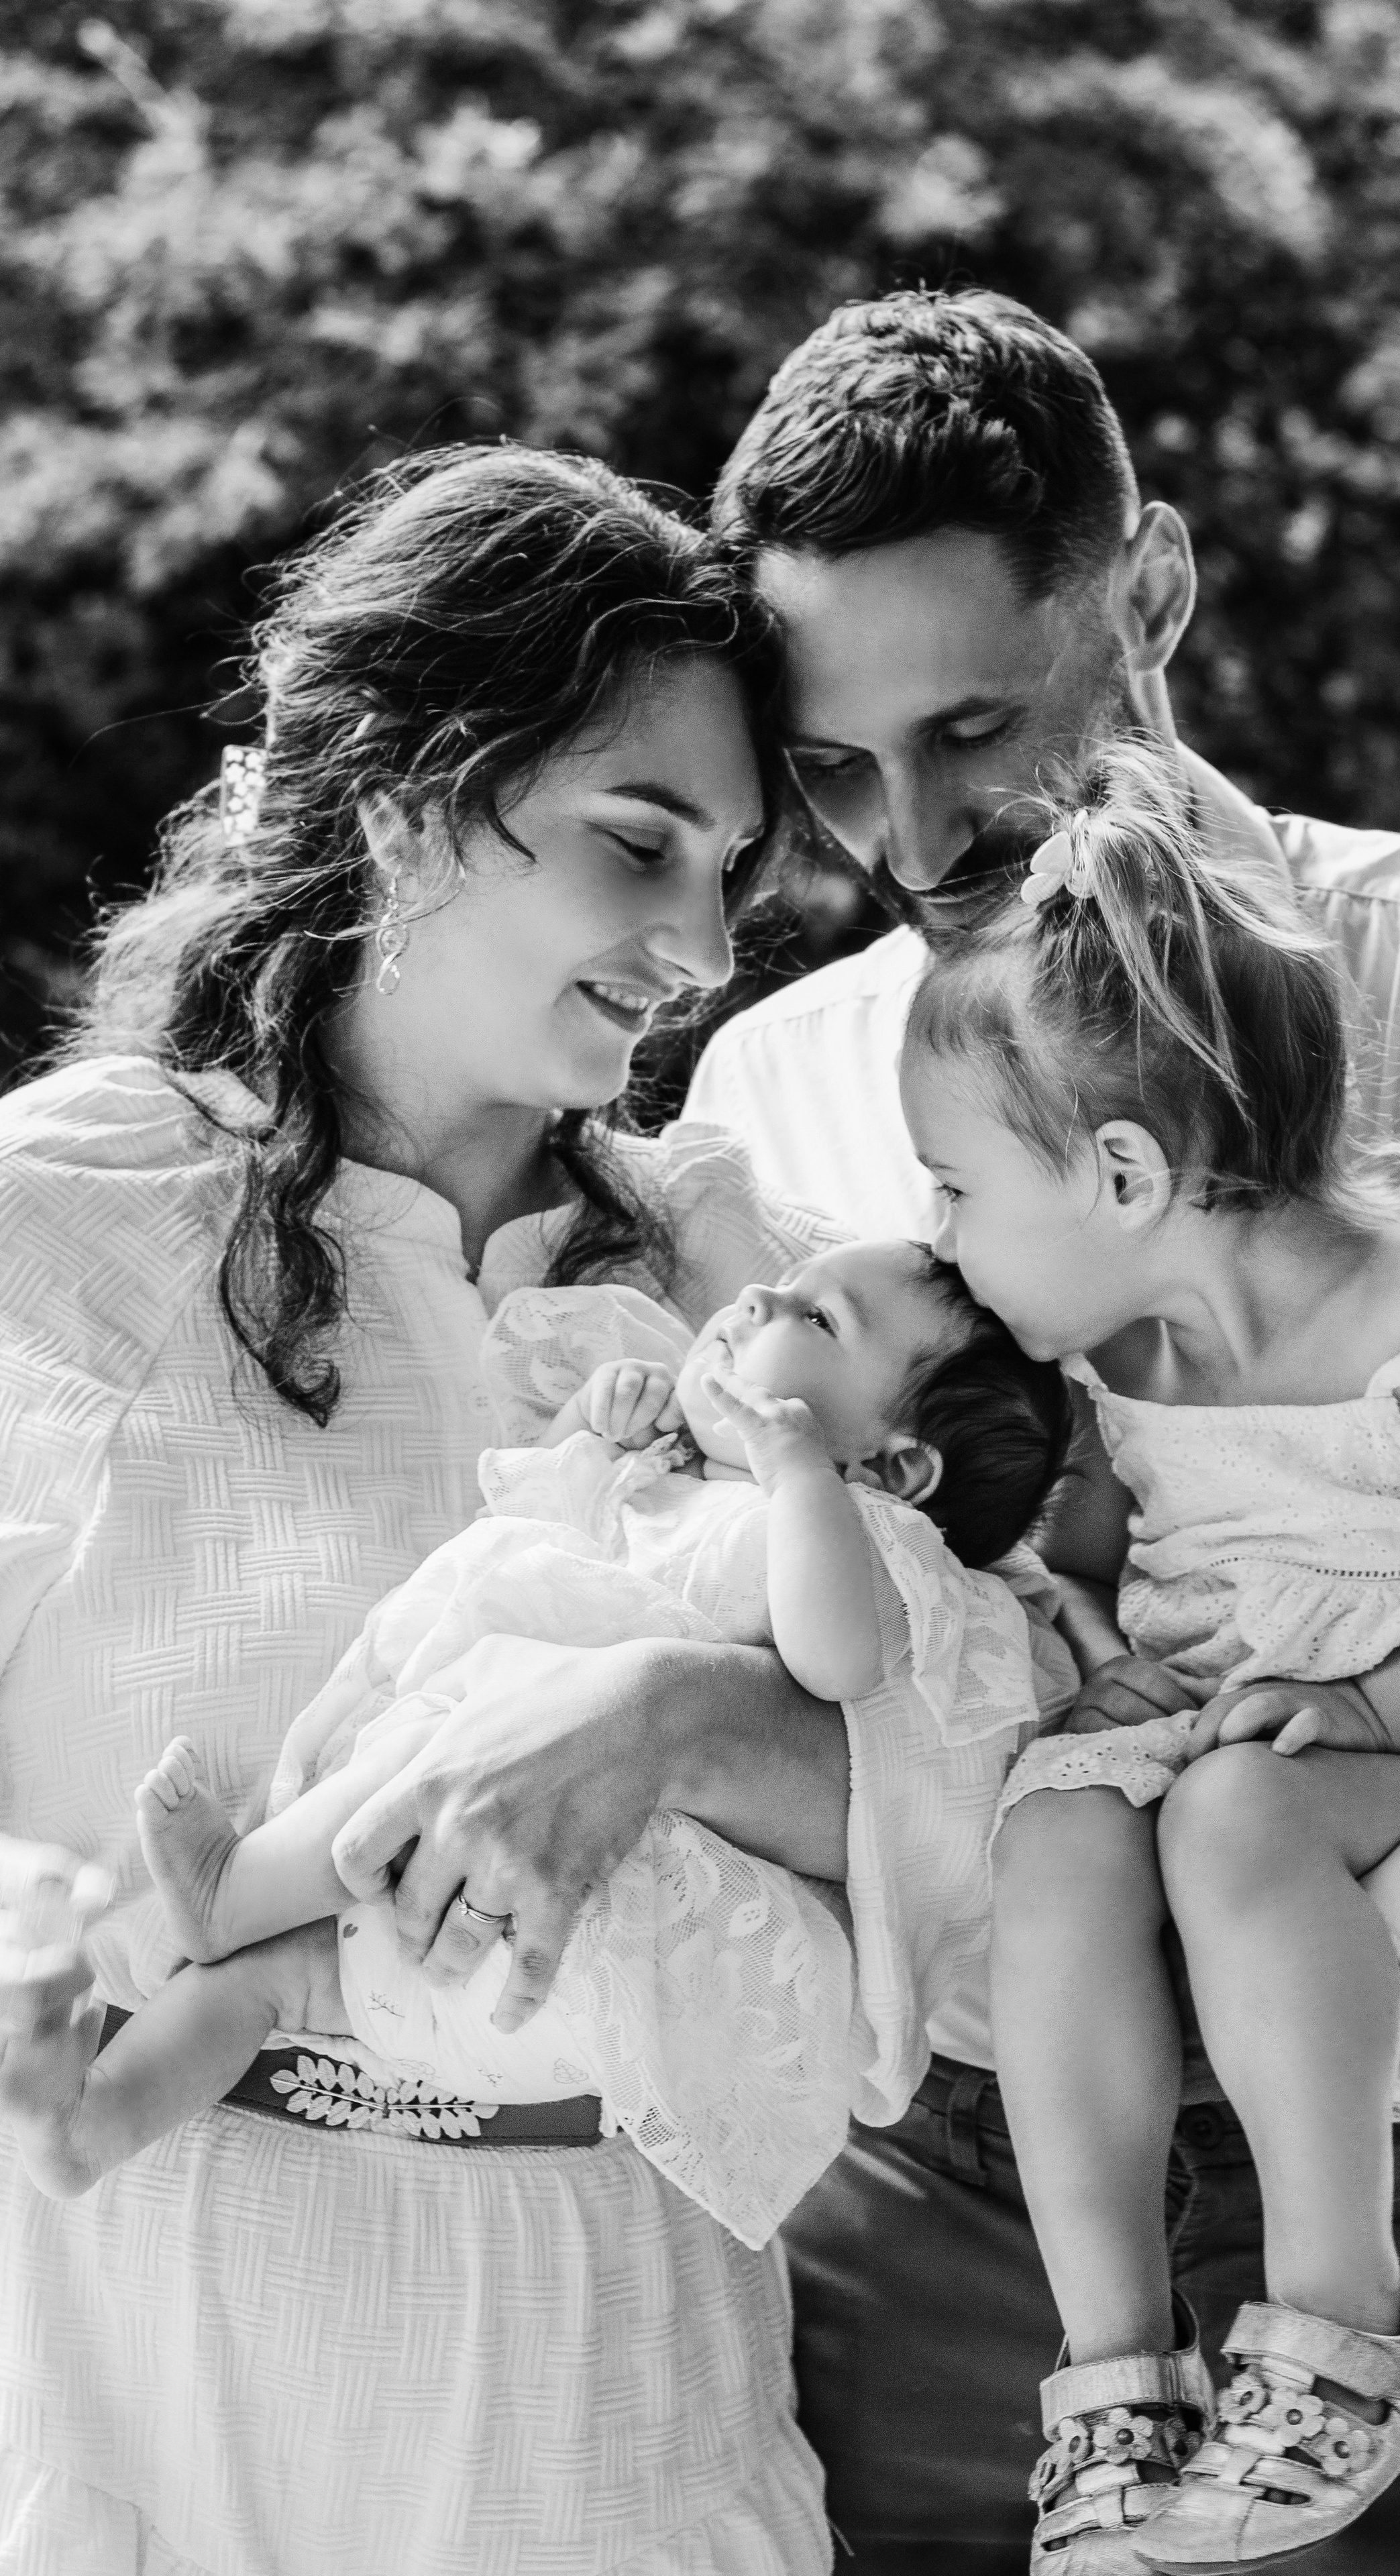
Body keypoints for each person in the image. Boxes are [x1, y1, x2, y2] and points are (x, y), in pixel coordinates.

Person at [684, 287, 1400, 2571]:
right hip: (950, 2223)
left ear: (1145, 586)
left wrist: (1326, 1963)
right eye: (840, 769)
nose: (915, 834)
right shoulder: (770, 1090)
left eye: (976, 722)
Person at [0, 441, 1075, 2576]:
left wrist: (670, 1712)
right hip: (169, 2341)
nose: (701, 945)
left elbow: (970, 1836)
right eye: (636, 844)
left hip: (626, 2367)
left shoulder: (736, 1272)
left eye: (736, 872)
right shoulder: (68, 1223)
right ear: (409, 796)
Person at [899, 745, 1400, 2565]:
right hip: (1235, 1729)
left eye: (952, 1191)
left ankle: (1347, 2329)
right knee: (1061, 1829)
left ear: (1117, 1171)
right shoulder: (1119, 1356)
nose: (939, 1234)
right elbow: (1154, 1547)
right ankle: (1117, 2379)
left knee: (1241, 1819)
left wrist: (1375, 1705)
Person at [5, 1241, 1065, 2257]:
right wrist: (588, 1429)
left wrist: (798, 1476)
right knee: (267, 1985)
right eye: (782, 1285)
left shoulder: (868, 1539)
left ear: (901, 1465)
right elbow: (526, 1512)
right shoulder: (679, 1480)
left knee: (469, 1713)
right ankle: (85, 2126)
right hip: (485, 1937)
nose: (756, 1302)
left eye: (817, 1320)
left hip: (592, 1924)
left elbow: (837, 1663)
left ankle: (230, 1888)